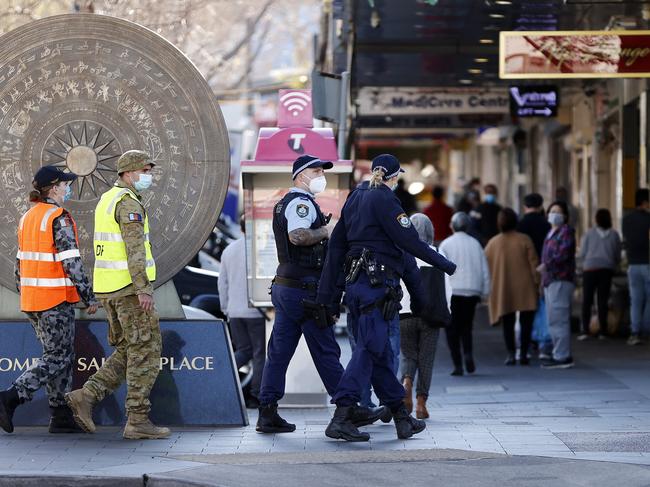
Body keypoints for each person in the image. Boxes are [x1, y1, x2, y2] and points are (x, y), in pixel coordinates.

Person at [316, 153, 456, 442]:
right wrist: (444, 265)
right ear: (393, 177)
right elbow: (410, 244)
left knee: (378, 355)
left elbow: (336, 250)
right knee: (368, 350)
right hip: (377, 290)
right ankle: (342, 414)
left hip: (355, 289)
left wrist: (328, 298)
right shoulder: (385, 200)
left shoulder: (355, 198)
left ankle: (402, 418)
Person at [256, 154, 387, 434]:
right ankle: (347, 409)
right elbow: (299, 236)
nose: (320, 176)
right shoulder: (300, 203)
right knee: (326, 350)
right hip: (304, 291)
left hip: (288, 287)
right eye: (316, 171)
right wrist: (327, 230)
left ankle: (267, 411)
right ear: (300, 176)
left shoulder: (286, 203)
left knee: (279, 353)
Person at [65, 150, 170, 440]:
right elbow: (134, 250)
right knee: (146, 351)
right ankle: (137, 419)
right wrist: (143, 289)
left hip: (111, 288)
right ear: (127, 173)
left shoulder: (107, 200)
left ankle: (86, 396)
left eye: (149, 169)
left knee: (128, 350)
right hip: (129, 291)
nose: (147, 175)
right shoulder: (127, 203)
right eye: (143, 170)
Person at [0, 166, 99, 434]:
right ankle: (10, 397)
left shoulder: (28, 217)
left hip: (33, 300)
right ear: (53, 188)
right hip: (54, 300)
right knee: (57, 357)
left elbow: (18, 265)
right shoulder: (58, 217)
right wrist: (88, 296)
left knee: (60, 356)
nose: (68, 189)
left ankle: (60, 415)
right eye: (65, 185)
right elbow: (72, 262)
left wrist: (27, 293)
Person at [399, 214, 451, 419]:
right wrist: (447, 310)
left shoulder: (403, 253)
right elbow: (447, 287)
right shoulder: (437, 253)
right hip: (431, 313)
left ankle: (406, 382)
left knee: (408, 354)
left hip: (404, 313)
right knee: (426, 358)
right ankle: (421, 404)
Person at [218, 216, 265, 408]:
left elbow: (222, 283)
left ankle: (221, 378)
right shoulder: (261, 250)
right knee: (260, 354)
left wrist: (225, 308)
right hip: (256, 312)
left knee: (243, 350)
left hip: (235, 312)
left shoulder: (229, 250)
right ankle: (256, 395)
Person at [485, 208, 539, 365]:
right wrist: (538, 283)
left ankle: (510, 353)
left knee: (507, 322)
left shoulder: (493, 243)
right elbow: (533, 264)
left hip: (503, 287)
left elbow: (486, 265)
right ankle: (523, 353)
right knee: (526, 322)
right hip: (525, 287)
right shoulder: (524, 239)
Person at [440, 212, 490, 375]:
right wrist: (485, 291)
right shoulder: (475, 243)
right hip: (471, 290)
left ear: (452, 226)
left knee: (451, 328)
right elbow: (484, 269)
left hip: (453, 291)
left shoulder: (446, 244)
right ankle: (468, 353)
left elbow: (441, 270)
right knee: (466, 326)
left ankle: (458, 364)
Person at [539, 201, 576, 369]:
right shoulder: (550, 232)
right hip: (550, 281)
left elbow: (562, 254)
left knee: (559, 319)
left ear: (565, 216)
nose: (554, 214)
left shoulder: (566, 232)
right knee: (553, 319)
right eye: (551, 211)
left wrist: (547, 266)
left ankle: (562, 356)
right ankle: (558, 353)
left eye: (558, 211)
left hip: (560, 279)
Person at [578, 209, 622, 340]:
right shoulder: (614, 235)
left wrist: (583, 264)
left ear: (596, 219)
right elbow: (617, 255)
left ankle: (585, 330)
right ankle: (603, 331)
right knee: (602, 300)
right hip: (606, 270)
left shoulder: (589, 234)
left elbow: (582, 253)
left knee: (587, 300)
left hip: (589, 269)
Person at [622, 189, 650, 345]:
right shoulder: (649, 219)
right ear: (645, 202)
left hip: (632, 264)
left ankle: (635, 332)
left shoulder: (626, 220)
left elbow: (626, 239)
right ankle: (646, 330)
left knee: (636, 300)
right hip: (648, 263)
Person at [517, 193, 550, 260]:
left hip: (524, 261)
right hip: (543, 261)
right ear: (541, 206)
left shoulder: (519, 224)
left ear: (525, 207)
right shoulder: (547, 224)